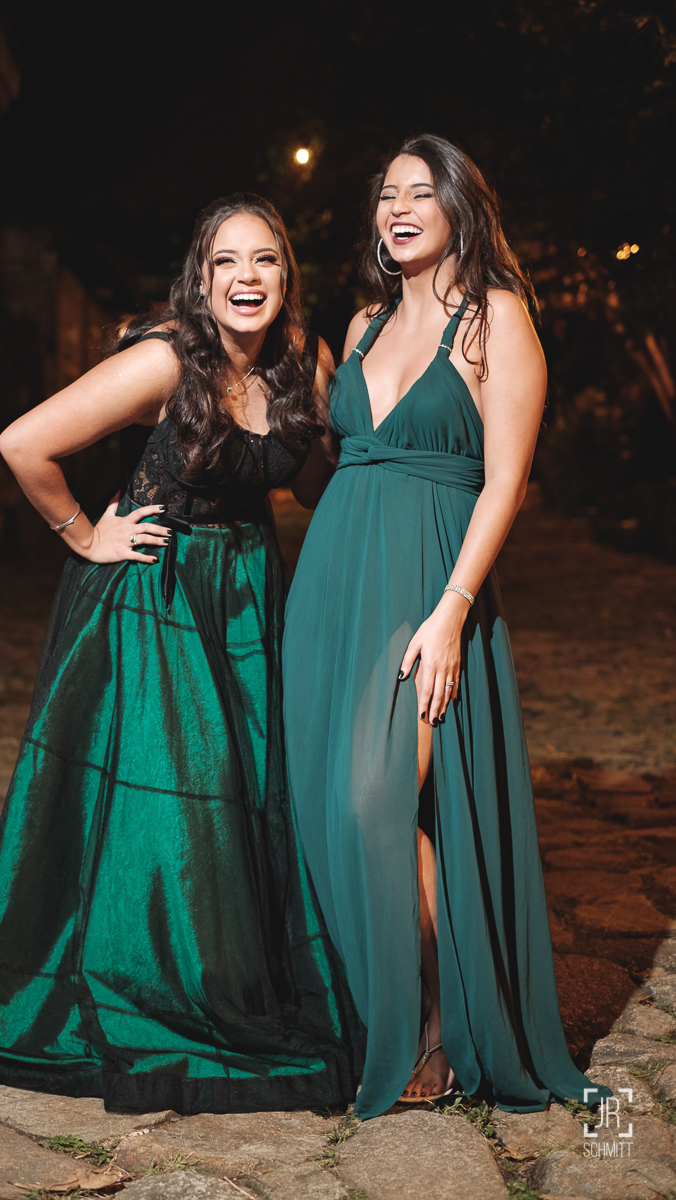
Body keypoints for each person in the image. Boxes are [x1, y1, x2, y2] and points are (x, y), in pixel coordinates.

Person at [0, 193, 365, 1114]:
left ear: (286, 275)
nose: (246, 277)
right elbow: (23, 442)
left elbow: (314, 485)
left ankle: (243, 973)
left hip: (250, 595)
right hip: (156, 594)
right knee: (178, 802)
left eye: (264, 259)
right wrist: (85, 533)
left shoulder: (306, 360)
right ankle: (157, 982)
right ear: (200, 281)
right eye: (226, 262)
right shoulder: (166, 360)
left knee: (250, 791)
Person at [282, 135, 612, 1119]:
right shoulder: (363, 322)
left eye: (419, 192)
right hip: (331, 583)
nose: (397, 208)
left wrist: (454, 609)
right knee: (330, 808)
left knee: (370, 798)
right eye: (386, 193)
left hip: (427, 584)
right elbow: (327, 470)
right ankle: (393, 1000)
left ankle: (434, 1015)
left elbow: (506, 480)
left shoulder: (495, 319)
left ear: (461, 205)